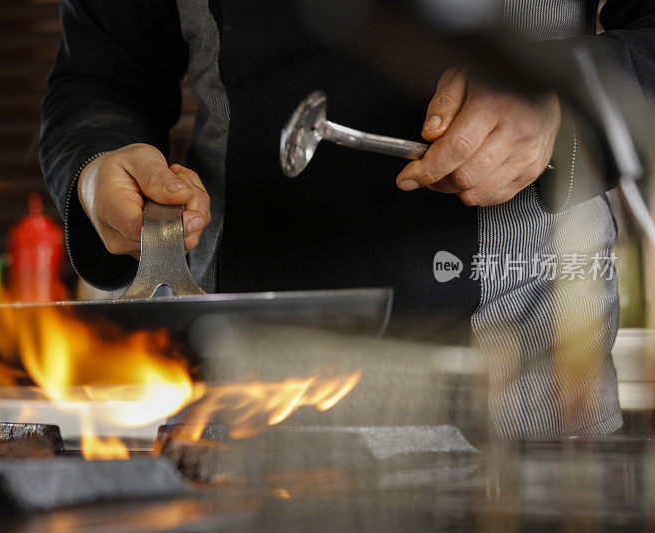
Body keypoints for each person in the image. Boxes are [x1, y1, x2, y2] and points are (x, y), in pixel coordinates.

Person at [40, 0, 655, 438]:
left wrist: (560, 105)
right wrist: (99, 166)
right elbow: (98, 81)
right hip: (247, 409)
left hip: (529, 399)